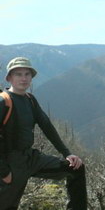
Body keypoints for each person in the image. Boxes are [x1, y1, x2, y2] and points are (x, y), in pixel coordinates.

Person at [0, 57, 87, 209]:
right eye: (18, 74)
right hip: (11, 164)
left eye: (27, 74)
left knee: (76, 168)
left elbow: (47, 126)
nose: (24, 78)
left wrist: (66, 153)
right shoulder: (4, 101)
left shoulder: (30, 99)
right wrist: (4, 172)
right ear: (9, 78)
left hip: (30, 158)